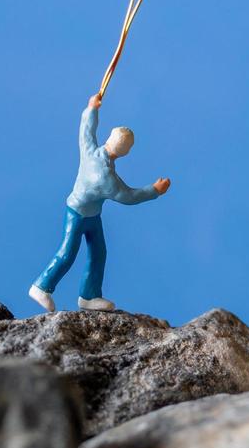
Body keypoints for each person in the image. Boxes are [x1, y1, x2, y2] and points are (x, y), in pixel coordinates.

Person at [29, 93, 170, 312]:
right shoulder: (106, 179)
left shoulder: (90, 151)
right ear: (126, 152)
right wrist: (155, 191)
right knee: (67, 253)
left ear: (109, 138)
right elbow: (129, 196)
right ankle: (41, 286)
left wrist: (91, 108)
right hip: (77, 214)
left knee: (98, 252)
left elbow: (86, 130)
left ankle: (89, 296)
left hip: (92, 216)